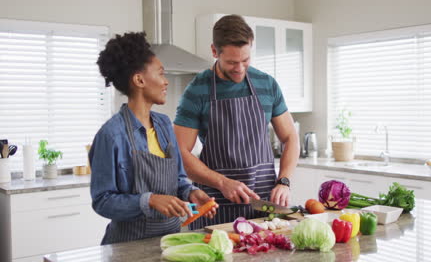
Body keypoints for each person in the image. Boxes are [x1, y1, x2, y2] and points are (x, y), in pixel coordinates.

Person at [90, 32, 217, 244]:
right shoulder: (111, 135)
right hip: (127, 246)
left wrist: (191, 192)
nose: (166, 82)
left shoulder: (164, 124)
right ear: (139, 80)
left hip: (170, 241)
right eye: (160, 74)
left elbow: (177, 179)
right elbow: (102, 201)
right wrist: (149, 201)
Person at [174, 15, 300, 229]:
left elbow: (290, 138)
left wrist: (284, 181)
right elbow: (179, 154)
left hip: (263, 208)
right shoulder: (197, 90)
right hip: (215, 208)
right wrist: (222, 183)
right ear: (214, 51)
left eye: (245, 60)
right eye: (232, 62)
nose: (240, 69)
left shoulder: (267, 84)